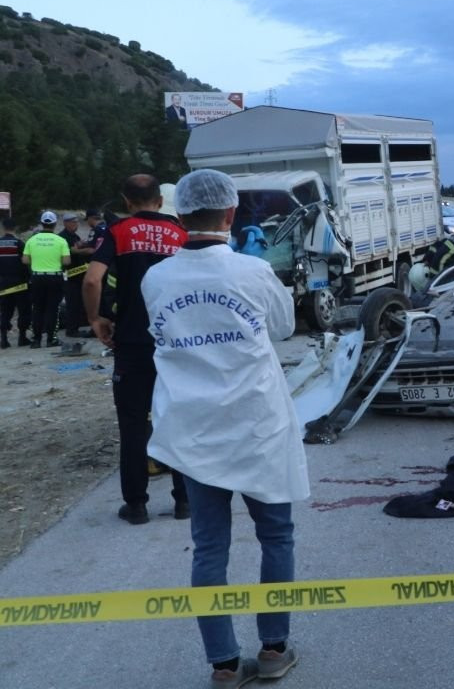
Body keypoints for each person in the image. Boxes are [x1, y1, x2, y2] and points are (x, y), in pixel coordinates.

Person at [144, 169, 307, 688]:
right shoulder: (252, 272)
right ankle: (275, 649)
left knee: (209, 547)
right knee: (275, 536)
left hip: (194, 431)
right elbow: (283, 327)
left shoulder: (156, 278)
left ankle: (223, 665)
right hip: (257, 425)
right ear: (231, 214)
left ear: (179, 213)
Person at [84, 175, 189, 525]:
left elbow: (92, 279)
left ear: (126, 201)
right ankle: (185, 502)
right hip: (176, 342)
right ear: (160, 201)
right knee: (176, 420)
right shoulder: (180, 233)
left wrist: (96, 318)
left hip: (131, 343)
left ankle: (137, 505)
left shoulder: (118, 231)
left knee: (132, 426)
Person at [21, 211, 70, 349]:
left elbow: (25, 260)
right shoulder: (61, 241)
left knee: (37, 309)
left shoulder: (32, 240)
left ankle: (36, 340)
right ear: (54, 224)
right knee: (52, 309)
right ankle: (51, 339)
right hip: (55, 277)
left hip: (37, 277)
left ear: (42, 224)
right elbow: (67, 261)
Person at [59, 212, 93, 337]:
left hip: (79, 277)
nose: (76, 224)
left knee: (78, 303)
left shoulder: (75, 236)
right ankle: (71, 330)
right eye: (73, 222)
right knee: (72, 303)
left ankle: (75, 327)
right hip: (70, 276)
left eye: (77, 222)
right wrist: (85, 250)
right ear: (66, 223)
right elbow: (68, 253)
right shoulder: (62, 237)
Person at [0, 217, 32, 348]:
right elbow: (25, 264)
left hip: (3, 283)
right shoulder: (19, 243)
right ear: (15, 228)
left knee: (5, 311)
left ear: (3, 227)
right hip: (20, 283)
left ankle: (4, 339)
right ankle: (22, 337)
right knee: (24, 310)